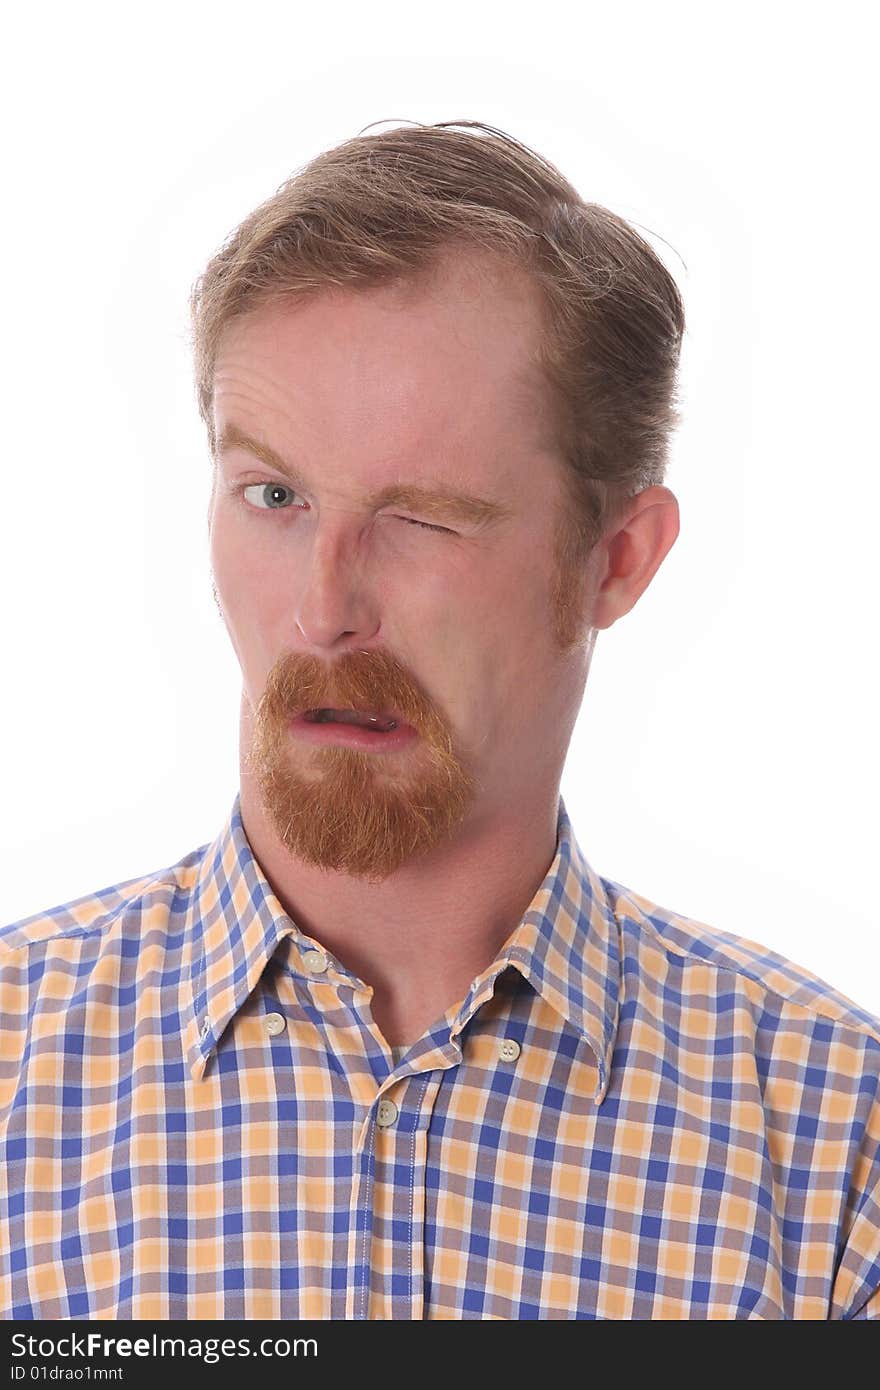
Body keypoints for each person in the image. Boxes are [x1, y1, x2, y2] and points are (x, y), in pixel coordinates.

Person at [1, 120, 878, 1323]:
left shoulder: (834, 1143)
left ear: (615, 560)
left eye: (422, 519)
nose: (322, 610)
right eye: (273, 495)